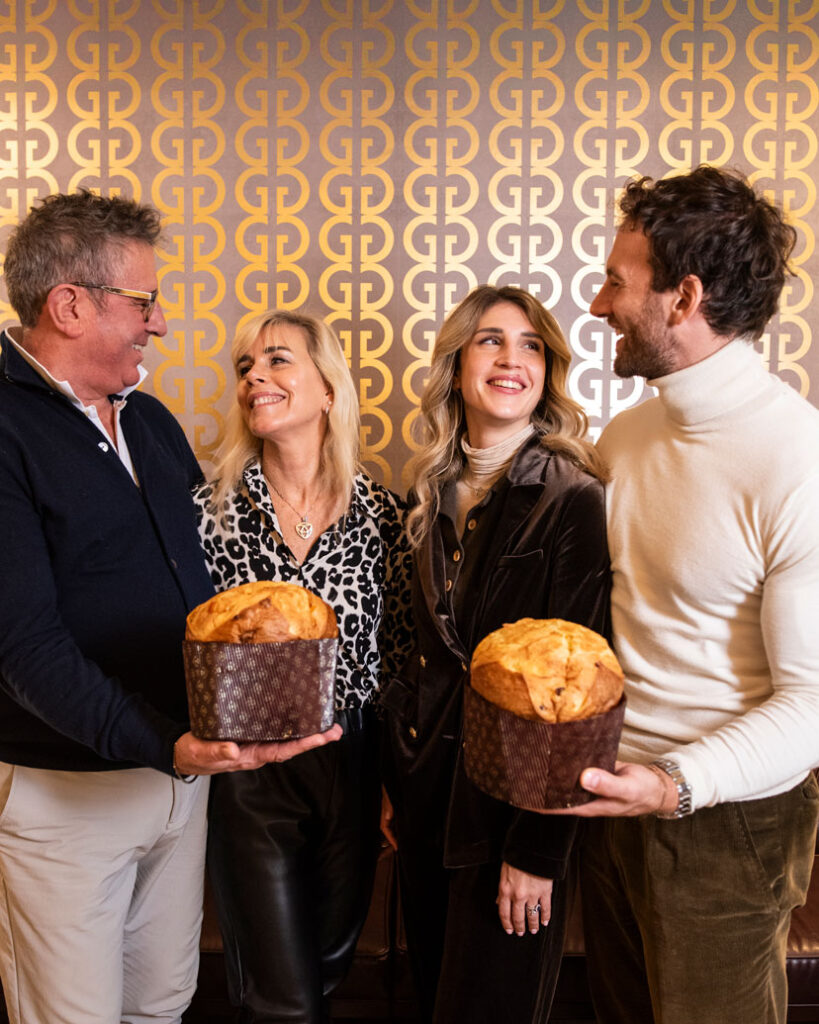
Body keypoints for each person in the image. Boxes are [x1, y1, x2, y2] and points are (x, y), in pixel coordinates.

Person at [0, 191, 340, 1024]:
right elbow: (24, 644)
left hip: (181, 788)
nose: (160, 323)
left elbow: (199, 592)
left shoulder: (147, 420)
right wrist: (167, 741)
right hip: (67, 798)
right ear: (71, 305)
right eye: (144, 301)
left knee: (163, 1003)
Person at [548, 166, 819, 1024]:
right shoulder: (626, 438)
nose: (595, 306)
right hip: (610, 801)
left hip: (727, 825)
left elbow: (811, 705)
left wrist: (671, 784)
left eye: (615, 284)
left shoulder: (794, 461)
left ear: (682, 297)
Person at [379, 285, 611, 1023]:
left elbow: (577, 695)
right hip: (426, 807)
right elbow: (418, 655)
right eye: (489, 341)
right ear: (455, 367)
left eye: (530, 345)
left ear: (546, 371)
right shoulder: (428, 494)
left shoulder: (569, 496)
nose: (511, 358)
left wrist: (538, 850)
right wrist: (398, 779)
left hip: (511, 813)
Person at [194, 309, 413, 1023]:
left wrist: (391, 783)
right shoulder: (208, 511)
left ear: (327, 389)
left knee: (324, 970)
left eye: (277, 359)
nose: (255, 376)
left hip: (352, 758)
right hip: (250, 770)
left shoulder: (383, 513)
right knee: (279, 995)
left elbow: (400, 654)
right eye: (246, 366)